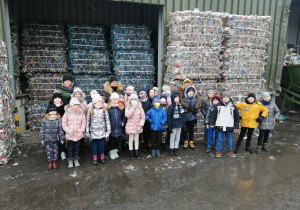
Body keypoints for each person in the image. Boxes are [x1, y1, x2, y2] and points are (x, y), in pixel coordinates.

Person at [210, 92, 240, 158]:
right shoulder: (217, 106)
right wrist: (212, 123)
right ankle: (218, 151)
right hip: (219, 125)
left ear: (229, 98)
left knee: (229, 139)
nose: (225, 98)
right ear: (222, 98)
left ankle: (229, 150)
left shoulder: (233, 106)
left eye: (227, 97)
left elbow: (236, 117)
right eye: (224, 97)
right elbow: (213, 115)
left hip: (229, 125)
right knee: (219, 139)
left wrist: (236, 126)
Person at [86, 94, 111, 165]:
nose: (99, 102)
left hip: (102, 130)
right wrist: (87, 131)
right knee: (94, 145)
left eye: (100, 101)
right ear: (94, 103)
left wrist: (108, 130)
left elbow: (107, 120)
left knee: (101, 144)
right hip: (93, 131)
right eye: (97, 101)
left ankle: (102, 157)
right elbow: (88, 120)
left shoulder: (104, 109)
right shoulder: (90, 110)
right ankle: (95, 157)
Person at [62, 97, 86, 168]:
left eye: (77, 105)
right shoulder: (67, 112)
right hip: (70, 134)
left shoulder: (81, 112)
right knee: (70, 148)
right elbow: (64, 122)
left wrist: (82, 130)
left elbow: (83, 122)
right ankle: (70, 160)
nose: (75, 106)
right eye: (74, 105)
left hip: (78, 134)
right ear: (71, 105)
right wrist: (67, 130)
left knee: (77, 148)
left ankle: (76, 160)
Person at [40, 103, 65, 170]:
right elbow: (42, 129)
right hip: (47, 139)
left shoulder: (58, 119)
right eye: (51, 111)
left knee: (55, 151)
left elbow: (60, 129)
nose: (53, 112)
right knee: (49, 152)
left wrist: (62, 138)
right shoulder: (44, 119)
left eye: (54, 111)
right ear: (49, 112)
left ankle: (54, 162)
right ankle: (50, 162)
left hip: (55, 139)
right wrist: (42, 138)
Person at [125, 91, 145, 160]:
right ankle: (131, 152)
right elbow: (127, 115)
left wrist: (140, 125)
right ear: (130, 100)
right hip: (130, 126)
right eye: (132, 100)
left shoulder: (140, 108)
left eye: (135, 100)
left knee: (136, 139)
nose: (134, 101)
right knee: (130, 140)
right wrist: (132, 108)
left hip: (137, 127)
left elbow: (142, 117)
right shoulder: (128, 107)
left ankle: (136, 151)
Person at [107, 93, 126, 160]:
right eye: (113, 99)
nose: (114, 101)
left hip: (118, 127)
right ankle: (112, 152)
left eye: (116, 99)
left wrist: (122, 123)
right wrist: (108, 125)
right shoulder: (108, 108)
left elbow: (124, 117)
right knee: (112, 141)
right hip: (111, 128)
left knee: (117, 140)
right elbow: (107, 118)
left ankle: (115, 151)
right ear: (111, 100)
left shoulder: (120, 108)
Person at [167, 91, 185, 156]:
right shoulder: (171, 107)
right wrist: (169, 125)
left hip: (179, 124)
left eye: (178, 97)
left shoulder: (180, 106)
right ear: (173, 98)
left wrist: (183, 123)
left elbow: (182, 115)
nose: (177, 98)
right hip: (173, 125)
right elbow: (169, 116)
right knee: (172, 137)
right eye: (175, 97)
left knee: (178, 137)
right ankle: (171, 149)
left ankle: (176, 148)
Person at [71, 87, 88, 155]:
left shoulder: (83, 102)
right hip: (74, 121)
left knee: (81, 135)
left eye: (79, 94)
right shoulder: (71, 101)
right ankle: (74, 149)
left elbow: (86, 111)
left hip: (81, 120)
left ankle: (81, 148)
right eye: (76, 94)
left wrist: (85, 119)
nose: (77, 95)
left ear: (81, 95)